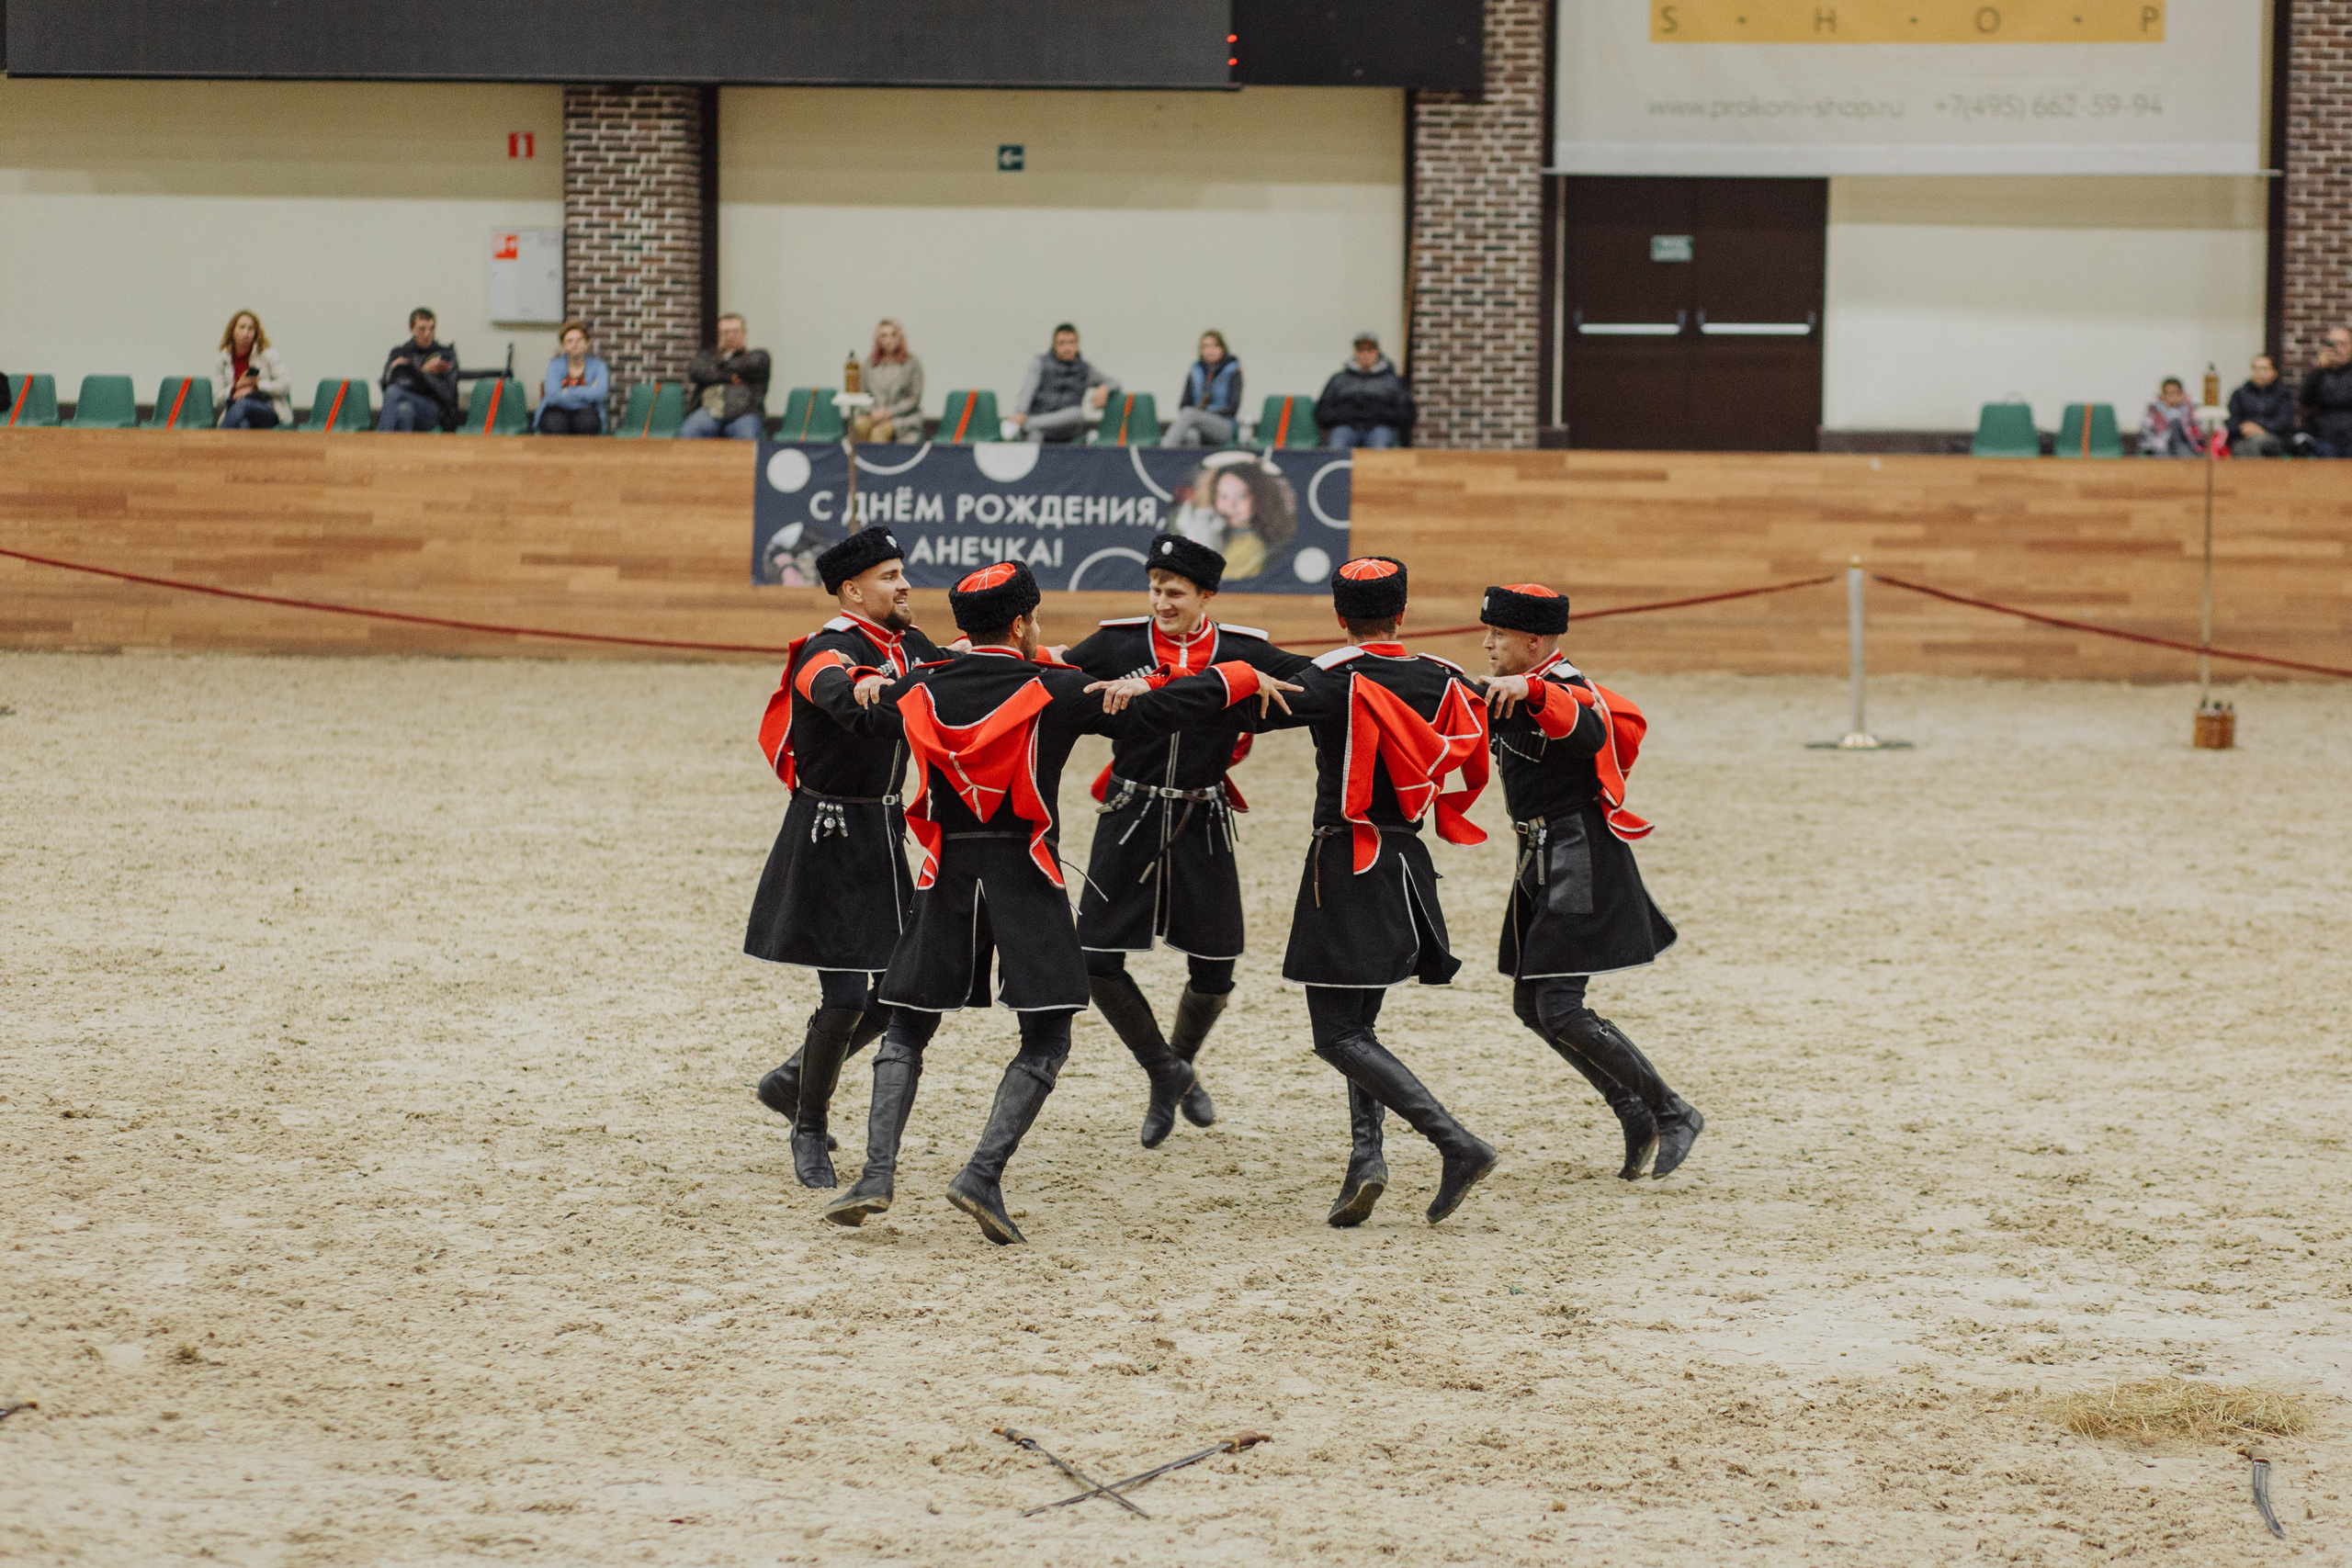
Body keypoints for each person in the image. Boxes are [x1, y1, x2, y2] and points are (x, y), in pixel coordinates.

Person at [822, 561, 1297, 1246]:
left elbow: (859, 710)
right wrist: (1240, 676)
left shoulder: (918, 687)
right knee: (1046, 1034)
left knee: (907, 1025)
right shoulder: (1057, 688)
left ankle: (875, 1172)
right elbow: (1166, 708)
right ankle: (982, 1173)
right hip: (1025, 873)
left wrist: (863, 680)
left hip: (946, 871)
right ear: (1019, 624)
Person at [1233, 557, 1498, 1229]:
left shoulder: (1333, 680)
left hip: (1347, 861)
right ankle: (1366, 1158)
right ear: (1402, 613)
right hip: (1406, 859)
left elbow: (1256, 711)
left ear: (1340, 615)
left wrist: (1225, 676)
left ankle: (1455, 1142)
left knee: (1336, 1033)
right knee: (1360, 1024)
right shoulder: (1439, 678)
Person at [1060, 534, 1313, 1145]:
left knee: (1217, 964)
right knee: (1095, 957)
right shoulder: (1118, 642)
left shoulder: (1244, 650)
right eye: (1154, 589)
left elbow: (1312, 689)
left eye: (1174, 592)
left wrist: (1255, 701)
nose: (1160, 601)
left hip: (1204, 813)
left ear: (1206, 594)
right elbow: (1057, 681)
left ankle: (1176, 1064)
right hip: (1129, 808)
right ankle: (1165, 1070)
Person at [744, 528, 956, 1188]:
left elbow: (962, 681)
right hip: (829, 834)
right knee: (843, 995)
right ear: (851, 589)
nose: (904, 585)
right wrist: (874, 689)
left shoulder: (911, 647)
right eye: (889, 575)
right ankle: (809, 1123)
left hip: (884, 830)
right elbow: (836, 691)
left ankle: (789, 1078)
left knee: (897, 995)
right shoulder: (824, 649)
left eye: (903, 572)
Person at [1477, 583, 1702, 1182]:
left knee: (1559, 1003)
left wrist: (1530, 688)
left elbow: (1584, 729)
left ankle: (1672, 1110)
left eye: (1499, 635)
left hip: (1579, 857)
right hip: (1538, 856)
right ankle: (1633, 1109)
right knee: (1533, 1003)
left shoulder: (1567, 689)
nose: (1488, 643)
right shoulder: (1509, 691)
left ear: (1534, 641)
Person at [1009, 323, 1118, 445]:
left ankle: (1027, 424)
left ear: (1077, 345)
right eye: (1062, 343)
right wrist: (1020, 412)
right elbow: (1027, 390)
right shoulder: (1040, 363)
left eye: (1071, 343)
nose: (1067, 347)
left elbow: (1115, 383)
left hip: (1068, 426)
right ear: (1054, 345)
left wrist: (1104, 388)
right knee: (1034, 435)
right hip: (1041, 424)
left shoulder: (1085, 369)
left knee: (1077, 414)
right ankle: (1028, 425)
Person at [1315, 331, 1415, 449]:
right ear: (1355, 352)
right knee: (1337, 445)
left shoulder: (1393, 381)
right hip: (1346, 428)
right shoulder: (1339, 380)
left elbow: (1407, 414)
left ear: (1377, 352)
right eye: (1361, 350)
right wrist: (1345, 414)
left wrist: (1379, 414)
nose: (1365, 354)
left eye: (1369, 350)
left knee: (1380, 446)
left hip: (1380, 428)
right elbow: (1321, 412)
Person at [682, 314, 772, 440]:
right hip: (709, 412)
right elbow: (696, 371)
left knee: (747, 436)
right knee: (687, 434)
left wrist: (717, 369)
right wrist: (728, 378)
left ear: (744, 333)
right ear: (719, 335)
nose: (730, 336)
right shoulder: (706, 356)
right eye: (726, 332)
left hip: (746, 414)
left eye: (735, 332)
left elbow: (756, 364)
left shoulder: (757, 356)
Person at [379, 309, 459, 433]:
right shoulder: (400, 353)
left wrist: (423, 372)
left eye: (431, 329)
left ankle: (379, 442)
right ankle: (403, 451)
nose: (427, 334)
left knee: (394, 392)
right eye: (422, 329)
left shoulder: (444, 355)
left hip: (434, 412)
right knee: (404, 409)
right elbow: (385, 385)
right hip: (407, 407)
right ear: (411, 329)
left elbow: (448, 395)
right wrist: (391, 371)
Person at [212, 310, 291, 430]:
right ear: (232, 331)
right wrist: (236, 389)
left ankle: (216, 443)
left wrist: (256, 385)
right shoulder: (223, 359)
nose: (246, 333)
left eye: (250, 329)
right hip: (236, 411)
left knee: (243, 404)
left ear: (256, 333)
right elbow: (217, 398)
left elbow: (284, 385)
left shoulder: (268, 355)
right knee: (244, 424)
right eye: (242, 327)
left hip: (267, 409)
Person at [1163, 331, 1243, 448]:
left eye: (1214, 346)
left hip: (1224, 425)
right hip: (1197, 422)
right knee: (1191, 435)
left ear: (1222, 348)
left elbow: (1233, 407)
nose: (1209, 351)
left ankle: (1164, 451)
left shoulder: (1233, 371)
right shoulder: (1195, 371)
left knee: (1190, 414)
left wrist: (1204, 414)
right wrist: (1198, 416)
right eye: (1205, 347)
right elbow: (1184, 404)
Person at [536, 321, 610, 435]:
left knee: (587, 423)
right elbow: (552, 396)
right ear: (563, 346)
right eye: (569, 341)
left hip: (587, 411)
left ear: (587, 343)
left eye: (579, 340)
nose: (574, 344)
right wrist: (587, 391)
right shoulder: (554, 365)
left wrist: (567, 391)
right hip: (556, 410)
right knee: (555, 425)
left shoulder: (598, 366)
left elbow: (599, 394)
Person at [861, 319, 925, 445]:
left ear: (900, 337)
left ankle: (876, 464)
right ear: (878, 340)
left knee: (879, 432)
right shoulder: (869, 364)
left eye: (893, 335)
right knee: (859, 425)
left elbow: (913, 399)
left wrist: (889, 412)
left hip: (902, 417)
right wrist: (873, 412)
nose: (889, 339)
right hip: (873, 414)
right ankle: (855, 463)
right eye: (884, 335)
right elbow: (863, 394)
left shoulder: (912, 364)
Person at [2228, 355, 2295, 457]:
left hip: (2274, 439)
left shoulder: (2283, 394)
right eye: (2256, 368)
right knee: (2240, 447)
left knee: (2256, 442)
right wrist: (2243, 428)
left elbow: (2284, 422)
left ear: (2274, 372)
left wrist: (2260, 428)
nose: (2260, 373)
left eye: (2264, 369)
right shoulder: (2239, 394)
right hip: (2243, 438)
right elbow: (2231, 421)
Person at [2300, 326, 2352, 457]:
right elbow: (2305, 402)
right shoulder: (2319, 373)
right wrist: (2319, 370)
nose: (2337, 349)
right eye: (2332, 344)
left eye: (2342, 344)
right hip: (2324, 436)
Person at [2136, 378, 2205, 457]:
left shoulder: (2190, 411)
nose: (2170, 397)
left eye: (2174, 393)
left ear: (2181, 395)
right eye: (2167, 393)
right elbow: (2145, 435)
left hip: (2185, 449)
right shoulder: (2153, 412)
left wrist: (2182, 413)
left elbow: (2197, 435)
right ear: (2162, 395)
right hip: (2161, 449)